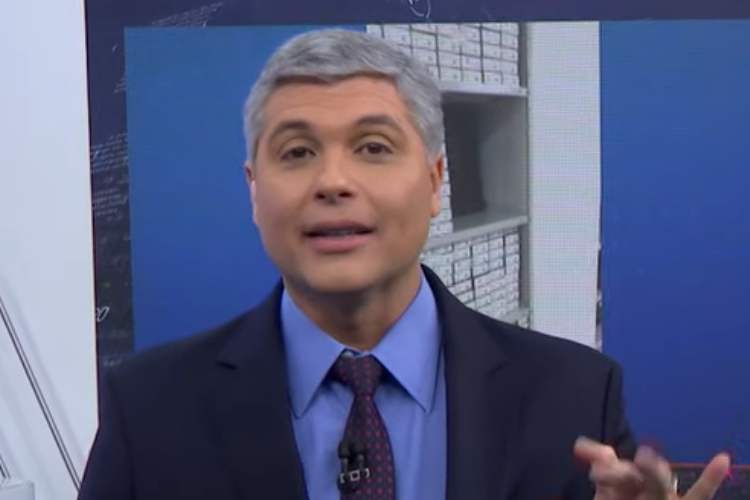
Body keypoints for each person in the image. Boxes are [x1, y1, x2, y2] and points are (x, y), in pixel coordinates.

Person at [77, 28, 729, 500]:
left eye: (372, 147)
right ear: (253, 189)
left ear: (435, 181)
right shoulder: (150, 409)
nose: (332, 181)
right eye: (297, 152)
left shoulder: (576, 395)